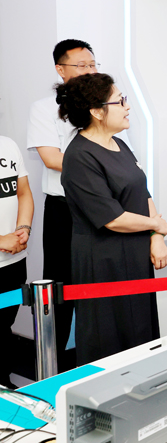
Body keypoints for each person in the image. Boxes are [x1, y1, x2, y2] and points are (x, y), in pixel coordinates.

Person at [27, 40, 128, 372]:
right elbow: (51, 158)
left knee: (100, 287)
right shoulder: (44, 108)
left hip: (105, 207)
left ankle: (101, 366)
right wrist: (95, 166)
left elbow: (118, 156)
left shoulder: (106, 106)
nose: (89, 70)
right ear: (60, 69)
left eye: (93, 64)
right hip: (64, 210)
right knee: (60, 290)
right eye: (81, 66)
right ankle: (50, 372)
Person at [58, 73, 167, 365]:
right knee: (107, 337)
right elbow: (112, 218)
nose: (127, 106)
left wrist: (156, 238)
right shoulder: (79, 156)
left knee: (141, 331)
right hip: (103, 261)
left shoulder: (120, 144)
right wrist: (156, 225)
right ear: (97, 112)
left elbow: (143, 193)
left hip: (135, 254)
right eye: (120, 101)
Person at [0, 136, 33, 388]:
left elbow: (23, 192)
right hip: (6, 248)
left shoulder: (8, 145)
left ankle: (4, 383)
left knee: (4, 326)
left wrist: (23, 228)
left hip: (13, 261)